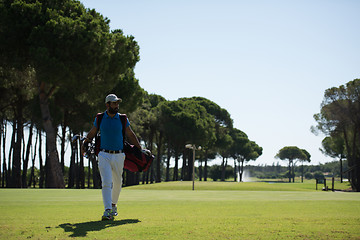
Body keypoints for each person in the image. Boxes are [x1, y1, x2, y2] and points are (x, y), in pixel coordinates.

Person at [81, 94, 142, 221]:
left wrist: (139, 149)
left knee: (118, 182)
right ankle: (107, 210)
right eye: (114, 103)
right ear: (107, 105)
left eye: (117, 103)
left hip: (119, 155)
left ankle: (113, 205)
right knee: (107, 182)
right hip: (104, 154)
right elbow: (92, 132)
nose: (116, 105)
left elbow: (130, 134)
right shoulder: (100, 117)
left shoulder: (122, 118)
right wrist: (86, 143)